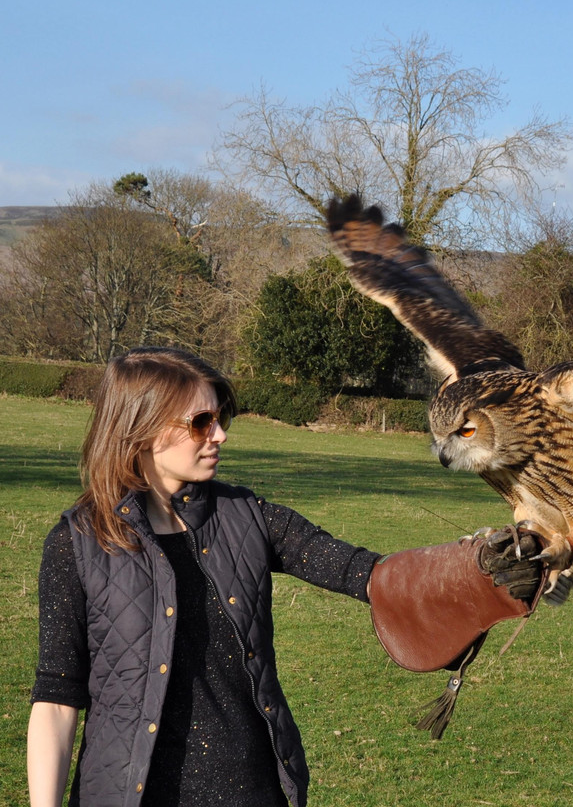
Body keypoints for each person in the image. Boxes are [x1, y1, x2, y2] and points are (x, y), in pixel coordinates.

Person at [26, 346, 543, 807]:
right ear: (139, 428)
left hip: (254, 789)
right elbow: (56, 699)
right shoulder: (80, 543)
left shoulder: (248, 516)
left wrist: (472, 571)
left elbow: (364, 572)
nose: (220, 434)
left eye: (221, 417)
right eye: (201, 421)